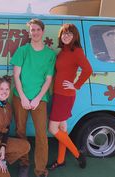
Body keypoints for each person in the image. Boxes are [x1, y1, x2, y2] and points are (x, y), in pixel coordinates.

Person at [10, 19, 56, 177]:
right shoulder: (22, 51)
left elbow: (48, 79)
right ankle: (24, 163)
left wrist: (37, 98)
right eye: (32, 30)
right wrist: (23, 97)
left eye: (37, 29)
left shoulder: (50, 54)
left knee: (41, 135)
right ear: (29, 32)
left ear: (43, 32)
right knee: (20, 131)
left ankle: (40, 170)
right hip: (19, 97)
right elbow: (16, 76)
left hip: (40, 99)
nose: (35, 32)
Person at [48, 24, 92, 170]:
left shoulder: (77, 51)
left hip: (65, 96)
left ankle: (77, 154)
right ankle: (61, 160)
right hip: (58, 94)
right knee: (62, 127)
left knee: (53, 129)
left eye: (69, 34)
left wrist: (76, 85)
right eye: (64, 34)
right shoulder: (62, 52)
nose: (66, 36)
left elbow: (88, 70)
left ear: (75, 37)